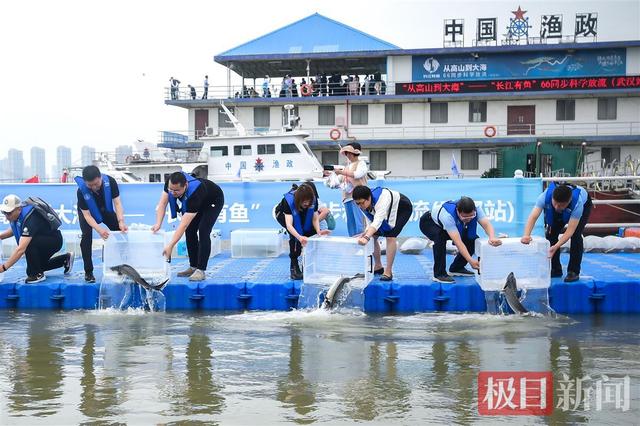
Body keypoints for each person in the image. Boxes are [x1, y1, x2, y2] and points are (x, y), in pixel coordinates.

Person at [152, 171, 224, 281]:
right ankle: (193, 266)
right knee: (190, 231)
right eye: (171, 190)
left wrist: (170, 246)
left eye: (176, 191)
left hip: (213, 200)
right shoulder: (170, 184)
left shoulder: (195, 193)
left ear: (185, 185)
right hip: (199, 202)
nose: (173, 193)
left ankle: (201, 270)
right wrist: (158, 224)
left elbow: (183, 224)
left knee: (203, 231)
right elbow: (162, 204)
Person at [521, 182, 592, 282]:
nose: (557, 207)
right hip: (560, 203)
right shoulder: (544, 197)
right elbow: (533, 217)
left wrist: (556, 246)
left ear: (569, 201)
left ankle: (573, 271)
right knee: (551, 234)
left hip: (585, 204)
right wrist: (526, 235)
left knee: (576, 235)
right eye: (555, 203)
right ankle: (555, 269)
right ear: (552, 199)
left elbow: (569, 231)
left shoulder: (578, 203)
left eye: (561, 205)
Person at [420, 196, 502, 283]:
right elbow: (458, 243)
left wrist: (492, 237)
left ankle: (457, 268)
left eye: (472, 216)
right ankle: (439, 274)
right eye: (465, 217)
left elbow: (486, 224)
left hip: (446, 225)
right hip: (429, 223)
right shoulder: (448, 216)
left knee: (472, 240)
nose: (469, 219)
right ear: (457, 211)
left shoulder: (477, 208)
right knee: (440, 239)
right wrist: (471, 261)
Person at [0, 195, 73, 283]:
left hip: (53, 241)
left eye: (9, 213)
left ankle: (37, 275)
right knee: (36, 267)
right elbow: (14, 230)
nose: (7, 216)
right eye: (4, 212)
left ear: (19, 209)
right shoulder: (17, 215)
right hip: (42, 241)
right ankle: (65, 259)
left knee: (32, 268)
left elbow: (21, 249)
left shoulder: (31, 218)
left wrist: (4, 267)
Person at [75, 166, 128, 282]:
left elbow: (117, 203)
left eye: (96, 183)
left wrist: (121, 221)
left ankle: (124, 265)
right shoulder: (81, 191)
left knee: (121, 232)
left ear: (100, 177)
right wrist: (99, 229)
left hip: (104, 210)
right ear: (85, 182)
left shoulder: (111, 182)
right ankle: (88, 272)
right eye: (90, 185)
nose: (94, 187)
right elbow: (87, 216)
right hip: (88, 213)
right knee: (86, 238)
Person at [352, 185, 413, 281]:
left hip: (402, 207)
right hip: (386, 210)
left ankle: (388, 272)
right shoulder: (362, 203)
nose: (360, 206)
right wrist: (366, 233)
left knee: (390, 236)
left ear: (369, 198)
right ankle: (378, 266)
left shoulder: (381, 199)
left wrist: (366, 237)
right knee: (373, 236)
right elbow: (369, 220)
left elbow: (377, 221)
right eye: (357, 204)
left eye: (362, 203)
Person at [275, 183, 330, 279]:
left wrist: (318, 231)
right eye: (305, 201)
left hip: (301, 211)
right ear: (299, 199)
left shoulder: (313, 201)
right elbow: (289, 225)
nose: (307, 203)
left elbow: (315, 218)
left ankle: (308, 264)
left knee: (311, 233)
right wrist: (300, 238)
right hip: (283, 215)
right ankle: (294, 265)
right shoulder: (288, 202)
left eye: (309, 201)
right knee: (296, 236)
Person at [324, 143, 368, 236]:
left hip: (359, 199)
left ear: (354, 153)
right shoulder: (346, 167)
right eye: (346, 153)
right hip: (347, 199)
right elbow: (333, 183)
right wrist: (329, 176)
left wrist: (341, 172)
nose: (347, 155)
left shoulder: (361, 163)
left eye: (348, 152)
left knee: (359, 224)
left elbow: (357, 174)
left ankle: (361, 244)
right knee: (351, 225)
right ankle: (353, 244)